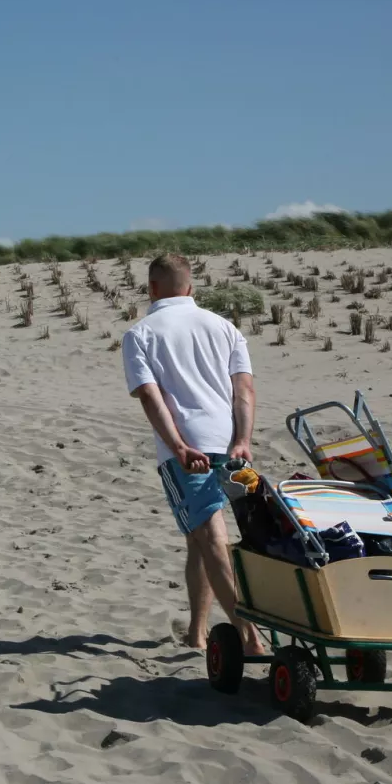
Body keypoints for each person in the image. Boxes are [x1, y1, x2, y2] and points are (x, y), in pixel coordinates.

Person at [120, 253, 266, 656]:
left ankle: (250, 637)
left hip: (189, 449)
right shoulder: (225, 328)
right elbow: (245, 391)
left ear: (151, 289)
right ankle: (197, 633)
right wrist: (243, 440)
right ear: (191, 287)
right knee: (198, 539)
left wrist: (179, 446)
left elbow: (151, 397)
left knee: (212, 538)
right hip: (230, 445)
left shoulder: (140, 334)